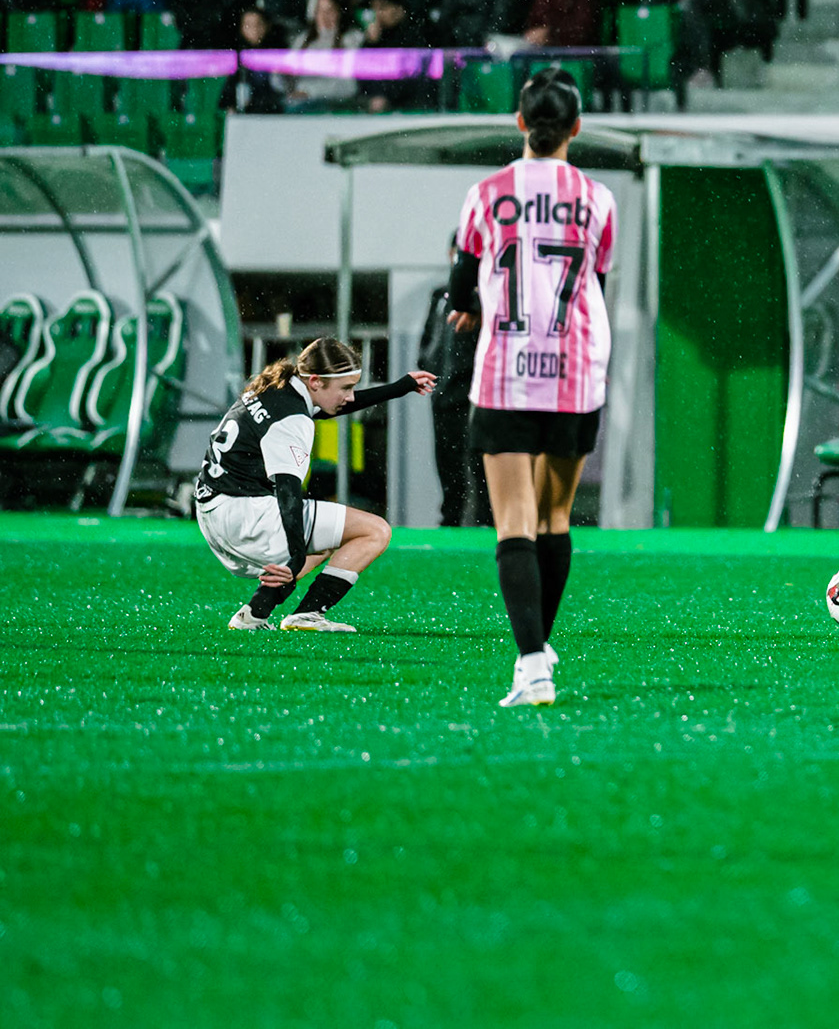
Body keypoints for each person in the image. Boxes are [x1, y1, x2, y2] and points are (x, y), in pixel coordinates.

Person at [446, 70, 617, 706]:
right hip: (576, 368)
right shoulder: (598, 198)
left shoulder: (485, 194)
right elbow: (596, 276)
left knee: (512, 521)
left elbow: (462, 283)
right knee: (554, 516)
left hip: (507, 370)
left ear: (520, 123)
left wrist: (467, 304)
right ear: (575, 128)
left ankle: (531, 661)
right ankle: (539, 652)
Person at [196, 337, 433, 633]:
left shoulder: (278, 388)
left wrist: (401, 387)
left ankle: (254, 614)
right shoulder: (293, 419)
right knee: (375, 531)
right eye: (346, 387)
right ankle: (307, 614)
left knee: (325, 538)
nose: (350, 395)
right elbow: (288, 492)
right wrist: (294, 559)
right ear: (316, 381)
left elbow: (331, 406)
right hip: (245, 517)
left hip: (214, 512)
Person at [420, 237, 487, 527]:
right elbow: (429, 339)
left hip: (476, 392)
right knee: (448, 463)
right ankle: (451, 519)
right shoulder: (440, 296)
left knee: (481, 462)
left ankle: (486, 520)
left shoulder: (488, 295)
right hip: (445, 393)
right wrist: (427, 367)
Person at [278, 0, 364, 110]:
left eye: (330, 10)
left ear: (340, 12)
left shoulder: (352, 39)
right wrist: (281, 76)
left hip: (333, 105)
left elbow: (349, 86)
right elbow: (286, 80)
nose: (324, 16)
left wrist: (309, 93)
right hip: (297, 104)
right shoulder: (303, 40)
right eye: (319, 10)